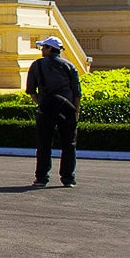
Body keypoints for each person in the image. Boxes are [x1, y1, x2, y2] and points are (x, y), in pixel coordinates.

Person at [26, 35, 81, 188]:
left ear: (50, 49)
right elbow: (77, 93)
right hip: (67, 108)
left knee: (44, 144)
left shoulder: (37, 66)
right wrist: (76, 111)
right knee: (69, 144)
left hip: (46, 108)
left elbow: (31, 91)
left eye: (43, 47)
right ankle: (68, 178)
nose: (42, 50)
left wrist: (41, 104)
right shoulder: (70, 66)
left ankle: (42, 178)